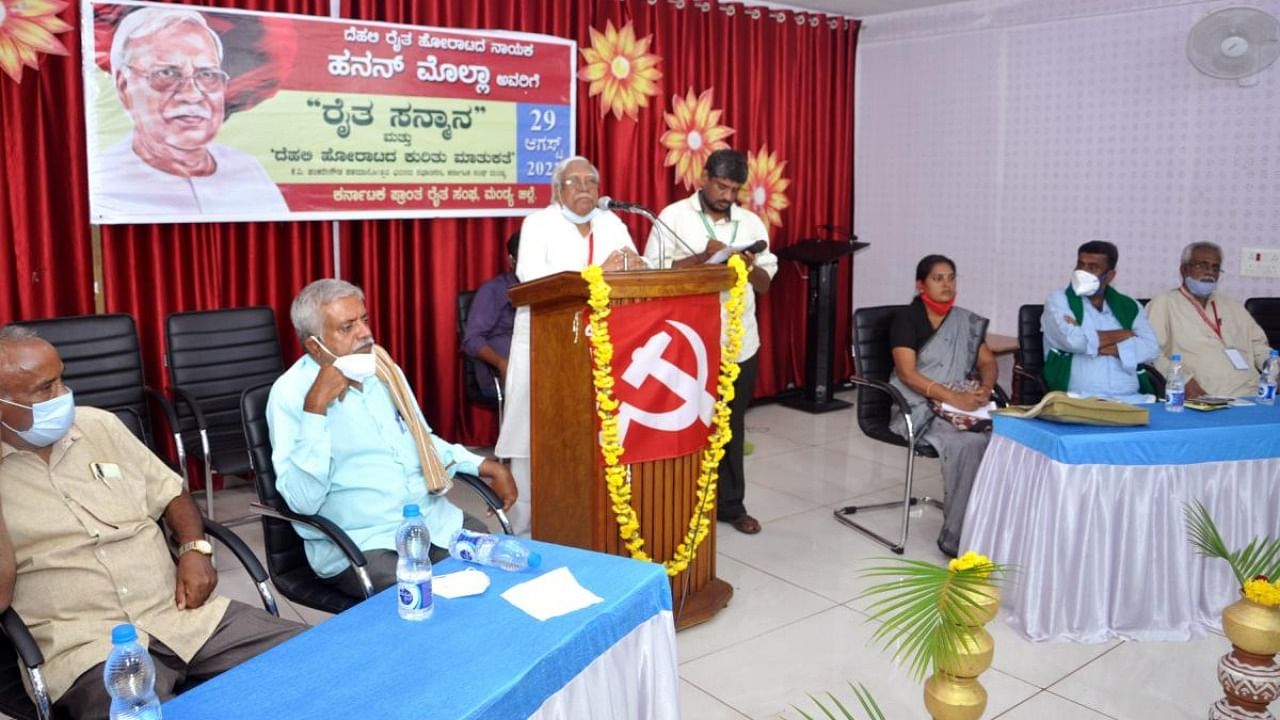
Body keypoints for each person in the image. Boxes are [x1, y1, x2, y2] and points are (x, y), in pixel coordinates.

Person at [0, 326, 303, 720]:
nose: (64, 396)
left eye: (62, 379)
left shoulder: (99, 426)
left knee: (315, 658)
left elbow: (171, 492)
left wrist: (194, 548)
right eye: (45, 388)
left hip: (181, 613)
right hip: (90, 649)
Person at [267, 279, 518, 599]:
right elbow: (302, 501)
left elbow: (422, 441)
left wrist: (485, 465)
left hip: (433, 522)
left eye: (365, 320)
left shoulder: (383, 370)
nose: (365, 333)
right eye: (348, 327)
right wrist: (315, 408)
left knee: (497, 574)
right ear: (315, 346)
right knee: (429, 602)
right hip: (365, 544)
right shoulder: (290, 394)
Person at [495, 156, 644, 536]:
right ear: (557, 191)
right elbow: (531, 281)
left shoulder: (613, 222)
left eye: (591, 182)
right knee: (535, 441)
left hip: (606, 345)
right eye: (573, 182)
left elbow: (634, 268)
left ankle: (591, 523)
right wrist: (596, 275)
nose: (583, 188)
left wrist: (637, 266)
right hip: (547, 346)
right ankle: (524, 533)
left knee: (596, 437)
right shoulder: (538, 224)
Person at [643, 148, 778, 535]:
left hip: (740, 342)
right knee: (683, 424)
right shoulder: (673, 217)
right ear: (703, 177)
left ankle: (731, 506)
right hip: (685, 344)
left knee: (731, 426)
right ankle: (680, 503)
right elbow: (654, 273)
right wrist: (701, 259)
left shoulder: (751, 223)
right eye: (721, 186)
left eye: (735, 189)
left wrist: (749, 268)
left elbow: (766, 285)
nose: (727, 196)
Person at [95, 7, 288, 217]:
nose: (192, 94)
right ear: (125, 87)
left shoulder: (248, 171)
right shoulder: (104, 180)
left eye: (206, 74)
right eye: (167, 73)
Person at [887, 256, 996, 558]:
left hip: (961, 403)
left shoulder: (964, 320)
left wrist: (985, 388)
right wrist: (952, 398)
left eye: (951, 277)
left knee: (1007, 437)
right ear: (920, 284)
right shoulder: (907, 320)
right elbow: (907, 374)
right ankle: (957, 536)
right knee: (969, 443)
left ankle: (991, 528)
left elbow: (986, 361)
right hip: (918, 405)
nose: (947, 284)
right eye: (938, 278)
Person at [1146, 242, 1273, 398]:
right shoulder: (1162, 304)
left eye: (1215, 267)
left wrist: (1276, 371)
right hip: (1204, 396)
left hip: (1252, 393)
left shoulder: (1232, 304)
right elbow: (1150, 353)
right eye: (1202, 265)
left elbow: (1259, 346)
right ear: (1184, 269)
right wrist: (1181, 380)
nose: (1210, 273)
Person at [1041, 240, 1159, 403]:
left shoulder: (1129, 306)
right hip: (1079, 398)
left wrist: (1092, 344)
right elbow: (1073, 342)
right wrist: (1126, 334)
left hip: (1131, 398)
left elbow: (1151, 349)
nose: (1083, 272)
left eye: (1093, 267)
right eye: (1080, 265)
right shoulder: (1059, 300)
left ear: (1109, 275)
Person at [462, 231, 520, 402]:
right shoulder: (493, 290)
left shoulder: (548, 288)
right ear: (511, 260)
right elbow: (472, 340)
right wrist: (501, 363)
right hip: (500, 372)